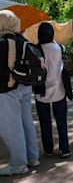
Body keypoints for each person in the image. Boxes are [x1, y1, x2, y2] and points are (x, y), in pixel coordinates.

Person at [0, 10, 40, 175]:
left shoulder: (2, 42)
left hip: (8, 89)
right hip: (25, 86)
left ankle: (18, 164)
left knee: (11, 127)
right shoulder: (23, 39)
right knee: (27, 123)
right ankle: (33, 157)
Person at [34, 22, 71, 158]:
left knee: (45, 122)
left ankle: (48, 150)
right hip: (58, 89)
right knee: (61, 120)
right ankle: (65, 148)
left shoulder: (35, 50)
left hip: (41, 91)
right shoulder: (58, 48)